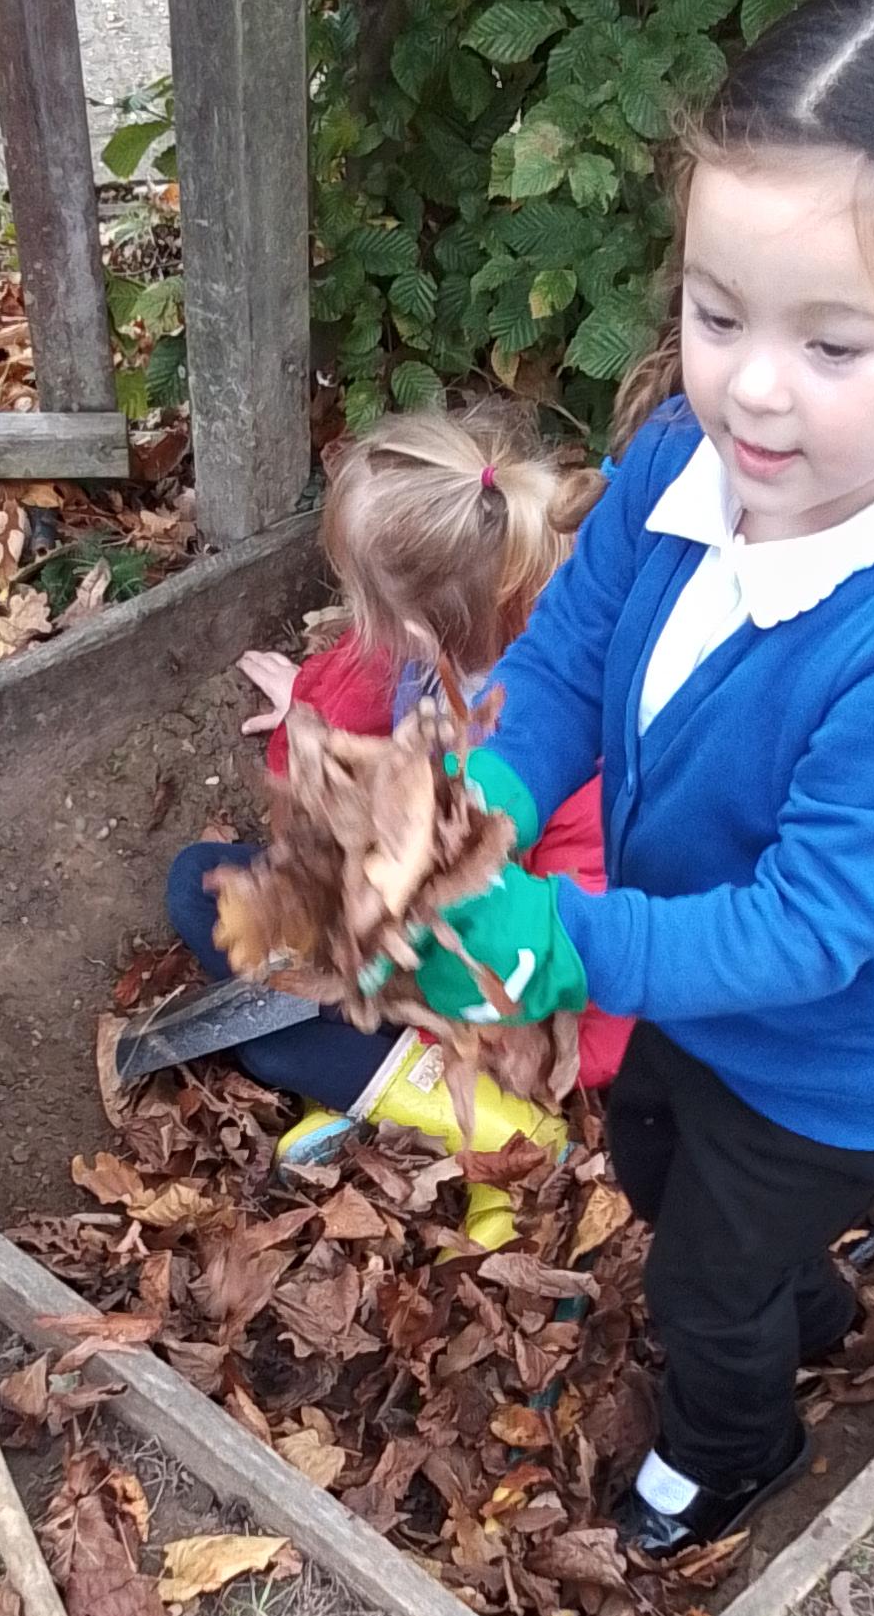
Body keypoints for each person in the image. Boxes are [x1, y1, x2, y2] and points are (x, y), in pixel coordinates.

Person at [411, 0, 874, 1560]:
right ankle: (808, 1295)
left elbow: (812, 929)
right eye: (718, 315)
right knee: (655, 1152)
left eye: (833, 341)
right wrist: (497, 787)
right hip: (694, 972)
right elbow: (570, 654)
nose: (752, 384)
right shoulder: (688, 459)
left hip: (837, 1056)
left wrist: (563, 941)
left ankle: (738, 1446)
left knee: (701, 1284)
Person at [164, 404, 629, 1241]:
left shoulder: (572, 751)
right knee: (201, 882)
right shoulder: (435, 661)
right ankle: (390, 1097)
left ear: (411, 632)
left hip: (520, 1010)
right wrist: (309, 712)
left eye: (359, 604)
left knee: (270, 1039)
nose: (357, 627)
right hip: (420, 951)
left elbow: (577, 961)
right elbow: (332, 743)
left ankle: (504, 1133)